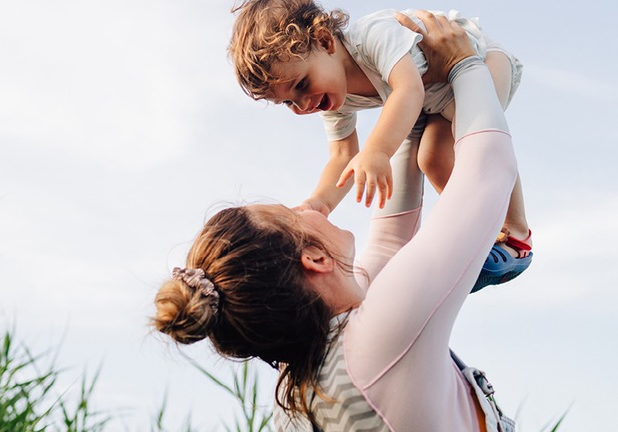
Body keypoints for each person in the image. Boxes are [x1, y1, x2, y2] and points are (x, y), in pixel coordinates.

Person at [154, 11, 517, 432]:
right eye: (294, 215)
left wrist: (407, 112)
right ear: (314, 259)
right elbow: (485, 175)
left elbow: (387, 243)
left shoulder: (299, 394)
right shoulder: (379, 339)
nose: (310, 208)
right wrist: (463, 65)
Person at [229, 0, 532, 291]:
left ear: (324, 41)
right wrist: (319, 204)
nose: (303, 104)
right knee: (432, 159)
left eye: (302, 85)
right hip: (441, 98)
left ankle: (517, 234)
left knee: (474, 142)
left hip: (481, 60)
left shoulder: (373, 36)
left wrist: (378, 151)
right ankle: (485, 234)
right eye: (288, 102)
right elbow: (342, 155)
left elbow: (408, 89)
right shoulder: (334, 98)